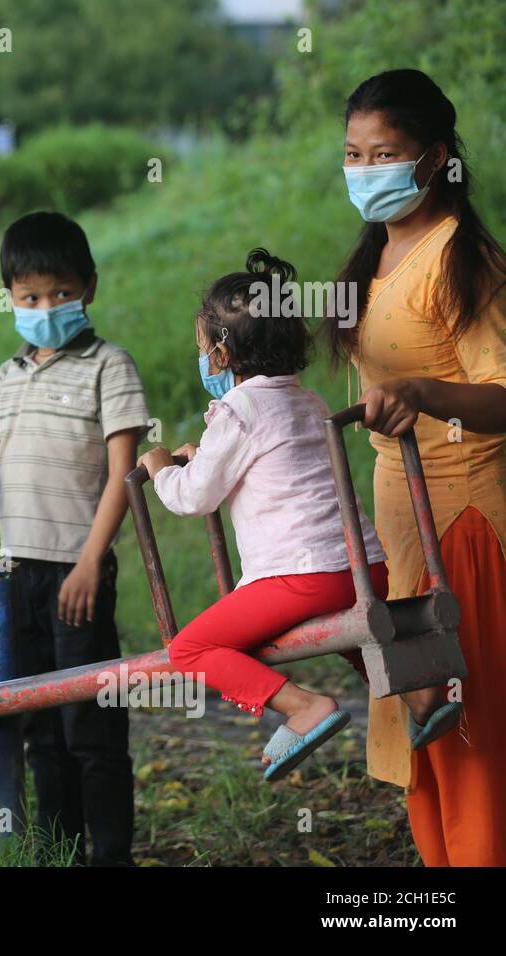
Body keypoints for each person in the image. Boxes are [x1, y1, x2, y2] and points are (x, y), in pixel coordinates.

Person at [0, 211, 149, 864]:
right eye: (31, 297)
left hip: (79, 571)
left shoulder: (110, 366)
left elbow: (124, 473)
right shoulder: (7, 377)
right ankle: (60, 850)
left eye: (61, 293)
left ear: (89, 287)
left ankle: (110, 854)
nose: (46, 308)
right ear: (10, 298)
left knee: (91, 726)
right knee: (39, 724)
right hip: (17, 578)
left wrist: (91, 562)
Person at [326, 68, 506, 865]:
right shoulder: (379, 252)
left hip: (462, 522)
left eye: (385, 154)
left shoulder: (462, 260)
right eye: (354, 155)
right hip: (402, 522)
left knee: (470, 726)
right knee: (423, 733)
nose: (366, 171)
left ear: (435, 159)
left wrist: (428, 391)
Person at [138, 249, 394, 781]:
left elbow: (193, 497)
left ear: (224, 355)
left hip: (304, 577)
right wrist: (201, 452)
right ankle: (416, 702)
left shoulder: (238, 410)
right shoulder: (309, 402)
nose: (202, 358)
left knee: (190, 649)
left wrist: (162, 466)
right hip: (366, 569)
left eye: (203, 348)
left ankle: (303, 707)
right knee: (351, 631)